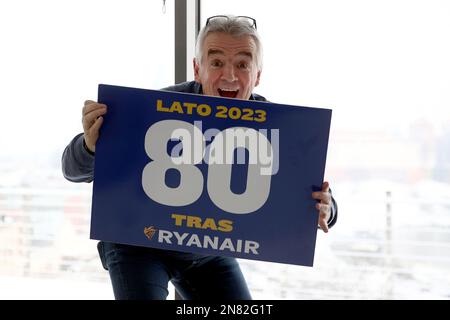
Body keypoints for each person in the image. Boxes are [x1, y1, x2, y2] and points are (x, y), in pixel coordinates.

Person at [62, 15, 338, 300]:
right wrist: (91, 145)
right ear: (198, 69)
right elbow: (72, 170)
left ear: (257, 75)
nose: (230, 76)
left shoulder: (275, 125)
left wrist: (326, 210)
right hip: (137, 243)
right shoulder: (156, 108)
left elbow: (319, 195)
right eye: (217, 63)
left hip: (205, 250)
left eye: (242, 64)